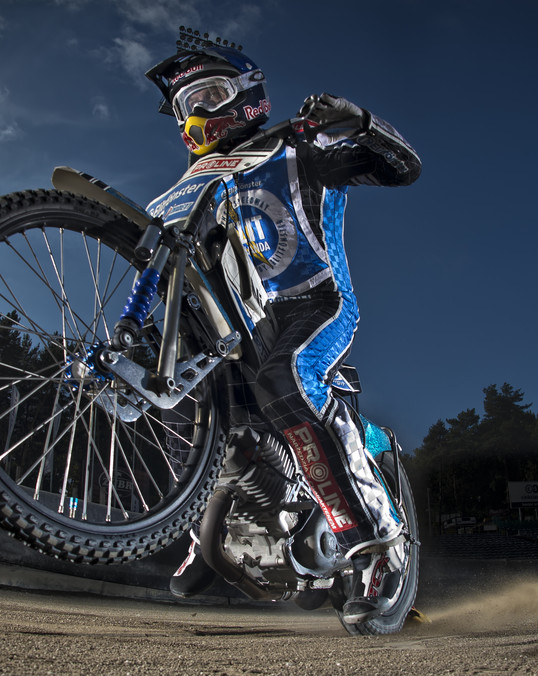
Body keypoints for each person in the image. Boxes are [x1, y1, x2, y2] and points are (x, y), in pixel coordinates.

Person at [145, 32, 421, 624]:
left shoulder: (297, 146)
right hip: (242, 327)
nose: (197, 115)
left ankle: (376, 545)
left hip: (314, 302)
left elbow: (404, 168)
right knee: (174, 391)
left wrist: (360, 122)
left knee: (288, 377)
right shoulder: (189, 188)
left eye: (212, 94)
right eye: (185, 106)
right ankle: (205, 521)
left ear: (248, 96)